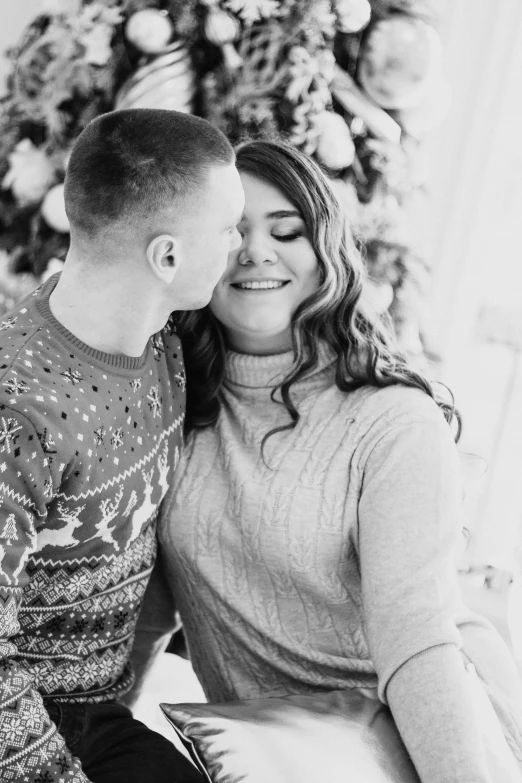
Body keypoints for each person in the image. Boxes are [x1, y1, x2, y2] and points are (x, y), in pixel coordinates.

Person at [137, 139, 522, 783]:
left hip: (407, 748)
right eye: (232, 232)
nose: (257, 251)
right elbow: (149, 614)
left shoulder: (393, 421)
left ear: (326, 252)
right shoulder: (169, 405)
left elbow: (417, 640)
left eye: (286, 230)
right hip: (266, 757)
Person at [0, 108, 243, 783]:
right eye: (227, 230)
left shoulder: (166, 344)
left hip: (92, 716)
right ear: (168, 256)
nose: (241, 247)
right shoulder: (19, 410)